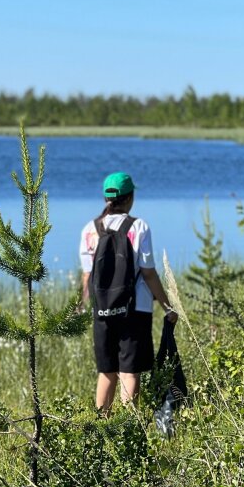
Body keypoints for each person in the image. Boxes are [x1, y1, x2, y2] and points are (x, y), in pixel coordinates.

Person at [79, 171, 178, 416]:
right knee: (129, 372)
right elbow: (149, 273)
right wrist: (167, 307)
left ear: (106, 198)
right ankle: (129, 427)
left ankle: (101, 425)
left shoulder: (90, 229)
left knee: (106, 372)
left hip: (102, 310)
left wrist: (82, 305)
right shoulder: (139, 226)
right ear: (130, 197)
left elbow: (87, 276)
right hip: (135, 309)